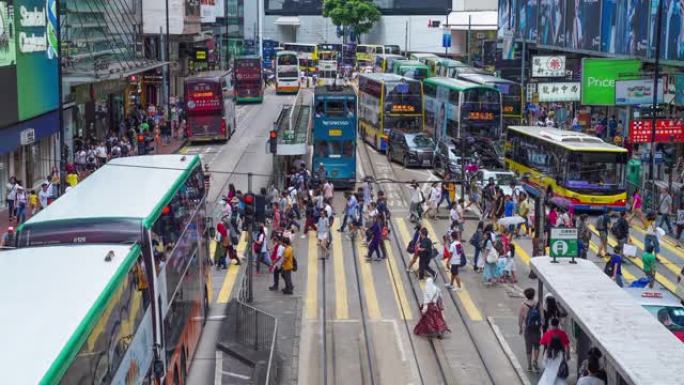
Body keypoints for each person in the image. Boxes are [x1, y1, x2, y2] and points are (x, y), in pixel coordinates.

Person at [519, 287, 541, 372]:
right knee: (537, 346)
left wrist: (520, 328)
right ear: (534, 295)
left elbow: (520, 318)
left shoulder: (523, 305)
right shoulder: (538, 304)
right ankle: (535, 361)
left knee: (528, 347)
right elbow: (542, 317)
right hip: (536, 328)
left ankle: (529, 366)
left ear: (526, 295)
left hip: (527, 329)